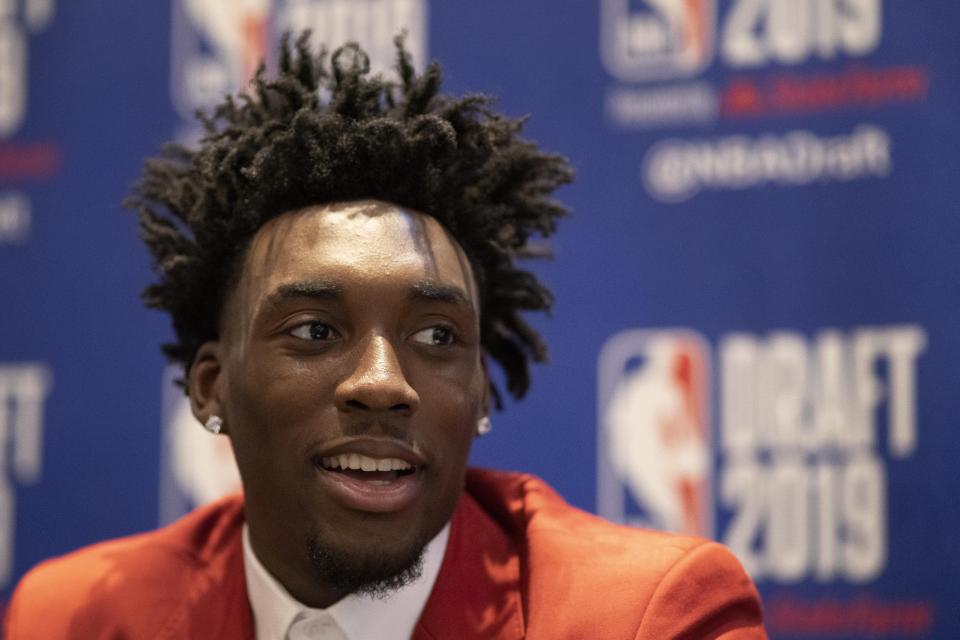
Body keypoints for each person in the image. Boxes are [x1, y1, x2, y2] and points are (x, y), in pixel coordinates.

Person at [4, 34, 766, 639]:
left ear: (478, 394)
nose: (383, 382)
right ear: (213, 388)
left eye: (437, 335)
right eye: (312, 329)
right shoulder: (73, 617)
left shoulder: (650, 620)